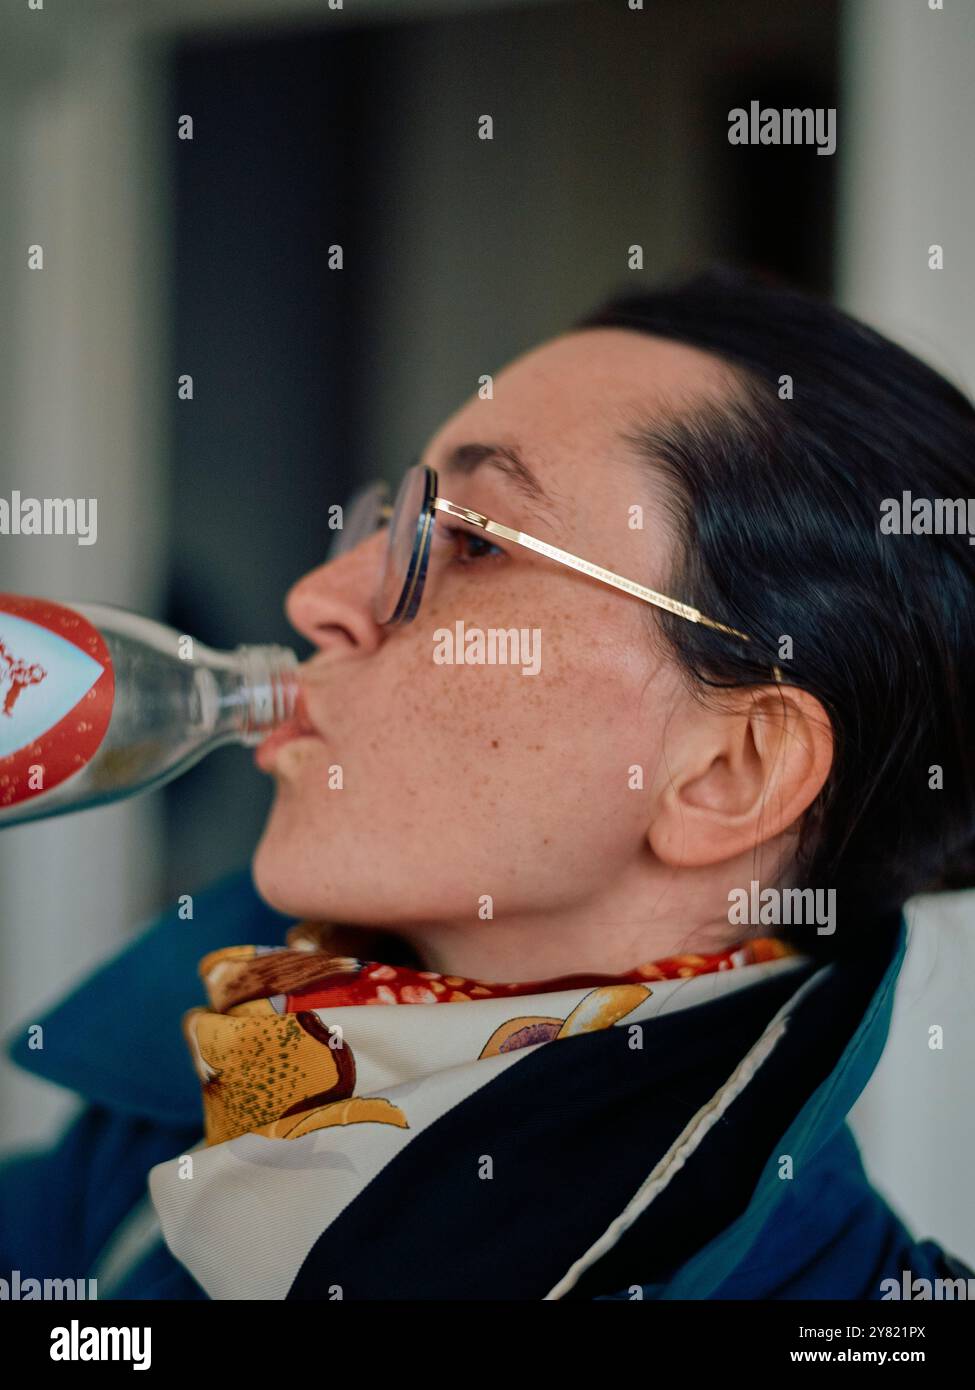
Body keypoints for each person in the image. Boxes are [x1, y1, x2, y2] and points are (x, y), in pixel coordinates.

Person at [3, 266, 974, 1300]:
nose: (318, 595)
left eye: (466, 540)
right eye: (387, 526)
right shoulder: (169, 1129)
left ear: (730, 772)